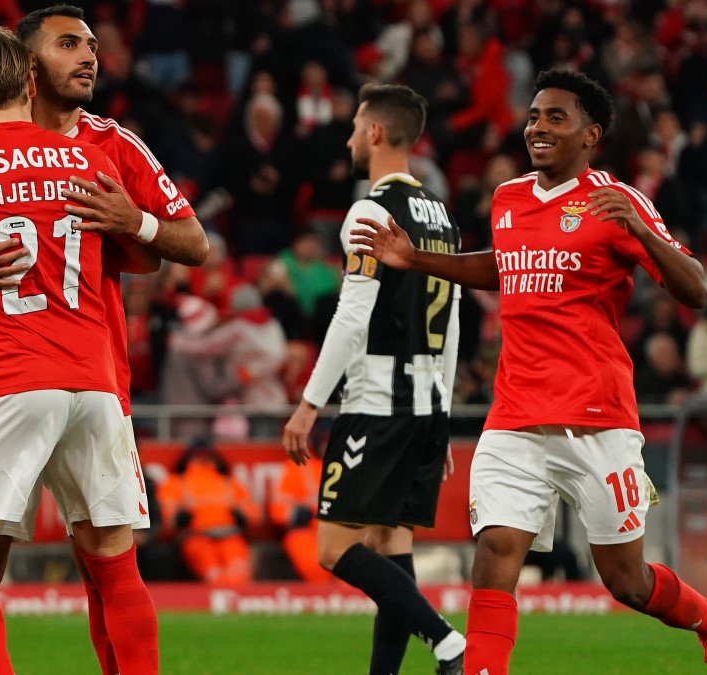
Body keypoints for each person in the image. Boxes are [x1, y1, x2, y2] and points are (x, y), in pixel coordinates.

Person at [351, 69, 707, 675]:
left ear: (591, 135)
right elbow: (503, 266)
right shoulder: (508, 198)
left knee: (627, 580)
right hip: (515, 413)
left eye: (555, 117)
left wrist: (641, 230)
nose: (537, 127)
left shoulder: (615, 200)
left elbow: (694, 289)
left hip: (597, 416)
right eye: (534, 115)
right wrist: (416, 258)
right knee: (495, 553)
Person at [0, 8, 208, 675]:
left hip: (46, 376)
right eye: (70, 44)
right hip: (29, 376)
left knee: (47, 564)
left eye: (92, 45)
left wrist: (136, 221)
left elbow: (191, 242)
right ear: (28, 65)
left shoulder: (112, 143)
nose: (90, 56)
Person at [282, 83, 466, 675]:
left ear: (377, 133)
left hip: (379, 401)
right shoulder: (443, 218)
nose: (350, 139)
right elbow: (452, 321)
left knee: (334, 547)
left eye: (356, 127)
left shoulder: (370, 212)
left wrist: (310, 403)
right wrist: (441, 412)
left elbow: (352, 314)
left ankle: (447, 641)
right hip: (426, 401)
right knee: (391, 545)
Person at [156, 441, 260, 585]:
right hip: (196, 538)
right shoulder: (175, 483)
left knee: (238, 573)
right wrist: (181, 519)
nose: (202, 459)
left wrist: (241, 516)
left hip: (230, 537)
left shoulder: (229, 482)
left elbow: (253, 515)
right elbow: (166, 522)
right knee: (215, 575)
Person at [269, 455, 332, 582]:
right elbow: (278, 509)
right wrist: (296, 513)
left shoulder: (353, 461)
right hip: (308, 532)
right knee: (315, 567)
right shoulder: (300, 465)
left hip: (344, 531)